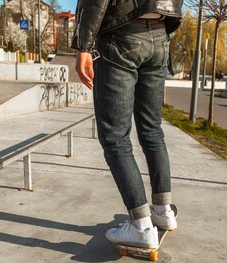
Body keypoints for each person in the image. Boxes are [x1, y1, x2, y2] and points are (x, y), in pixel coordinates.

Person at [72, 0, 183, 249]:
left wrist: (83, 47)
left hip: (121, 37)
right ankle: (163, 211)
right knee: (152, 129)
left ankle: (142, 227)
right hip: (159, 36)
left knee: (115, 138)